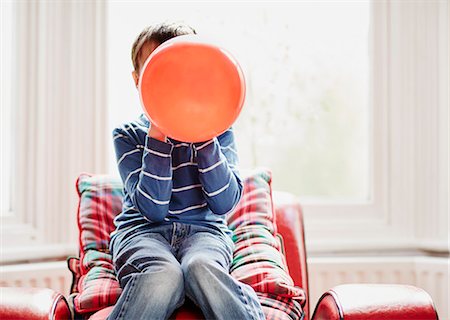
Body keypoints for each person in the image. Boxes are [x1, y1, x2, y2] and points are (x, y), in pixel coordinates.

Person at [108, 23, 265, 320]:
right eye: (160, 72)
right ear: (138, 80)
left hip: (204, 233)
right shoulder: (127, 134)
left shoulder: (220, 131)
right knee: (162, 275)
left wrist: (206, 137)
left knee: (201, 267)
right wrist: (158, 135)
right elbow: (152, 209)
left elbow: (224, 203)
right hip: (143, 233)